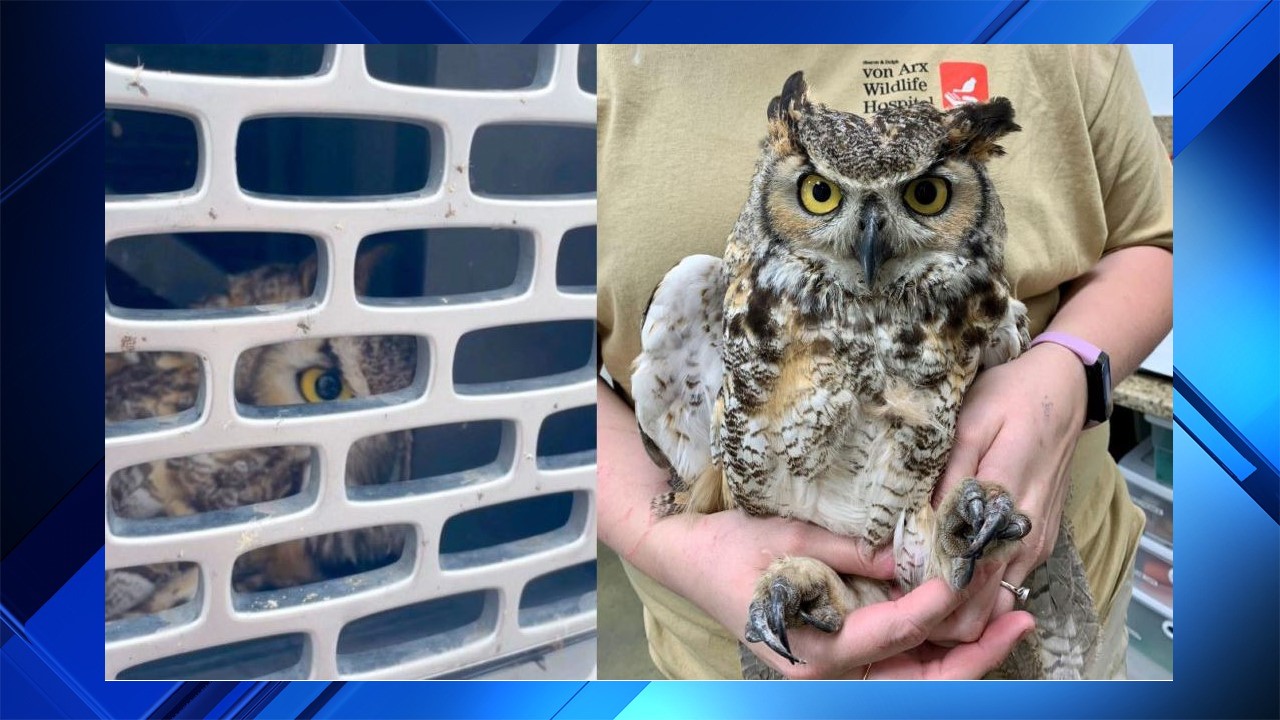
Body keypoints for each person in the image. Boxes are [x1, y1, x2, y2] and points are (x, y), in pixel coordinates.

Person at [596, 45, 1173, 679]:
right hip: (742, 644)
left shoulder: (980, 307)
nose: (871, 239)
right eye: (820, 194)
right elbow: (525, 367)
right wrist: (669, 544)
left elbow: (1159, 239)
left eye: (925, 195)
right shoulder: (712, 301)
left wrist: (1066, 369)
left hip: (1021, 597)